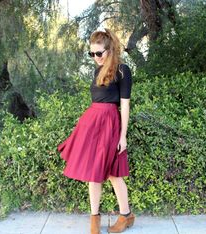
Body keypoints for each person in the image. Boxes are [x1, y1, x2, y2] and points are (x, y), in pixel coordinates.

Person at [57, 28, 134, 234]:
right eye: (92, 54)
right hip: (92, 124)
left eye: (99, 53)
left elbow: (125, 105)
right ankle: (94, 219)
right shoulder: (95, 71)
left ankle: (126, 216)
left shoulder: (122, 71)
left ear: (109, 50)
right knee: (93, 173)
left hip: (110, 124)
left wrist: (122, 136)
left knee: (113, 174)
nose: (95, 57)